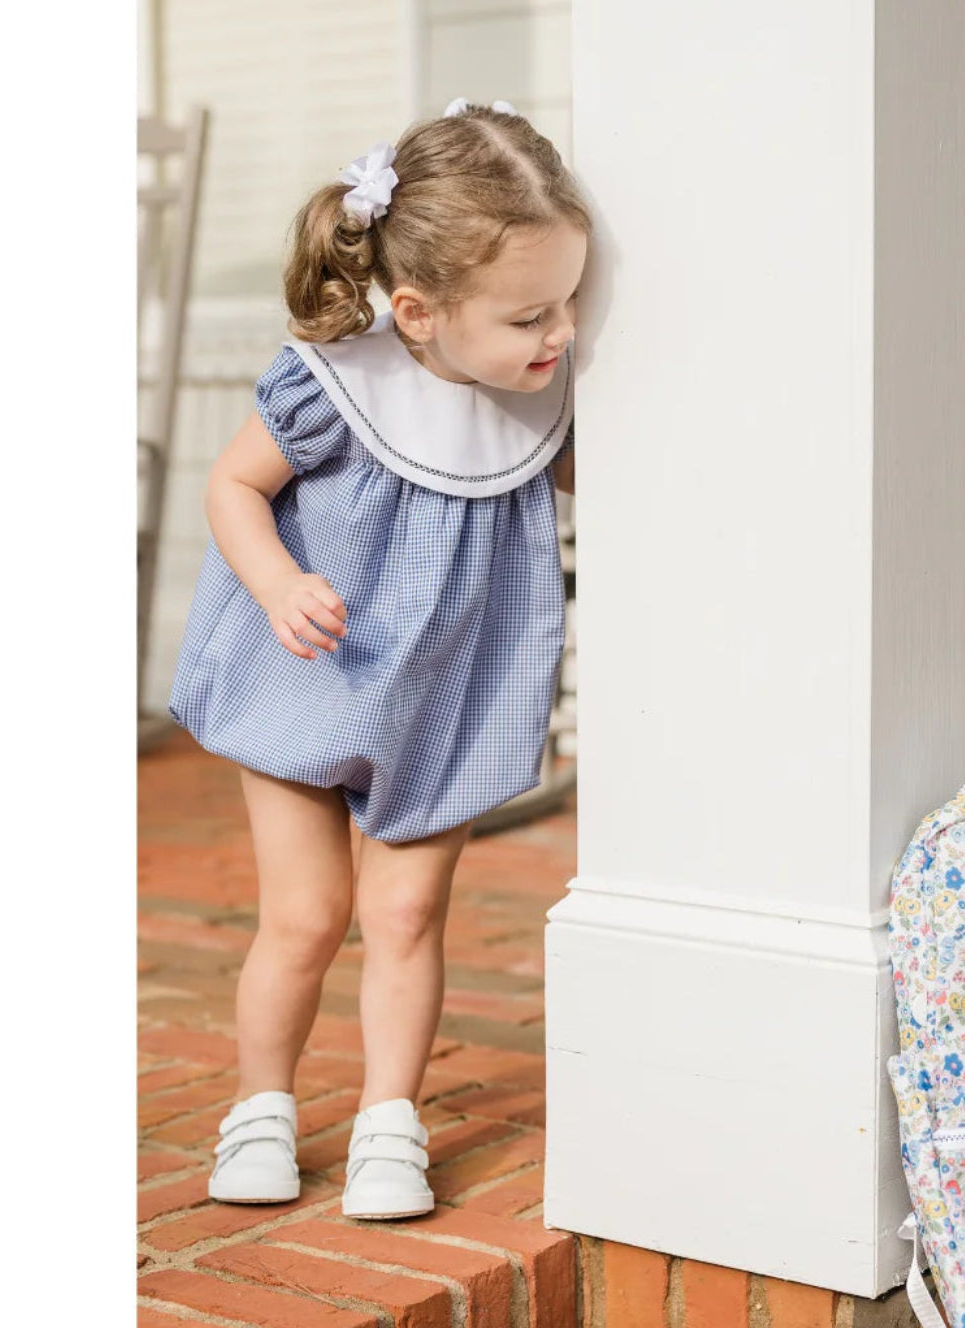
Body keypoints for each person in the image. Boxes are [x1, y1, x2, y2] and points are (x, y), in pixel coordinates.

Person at [165, 97, 588, 1220]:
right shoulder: (338, 382)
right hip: (311, 676)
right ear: (417, 310)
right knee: (303, 916)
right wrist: (277, 583)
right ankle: (261, 1104)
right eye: (529, 314)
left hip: (443, 700)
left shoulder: (534, 403)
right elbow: (232, 485)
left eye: (570, 303)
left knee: (404, 915)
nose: (559, 335)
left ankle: (388, 1118)